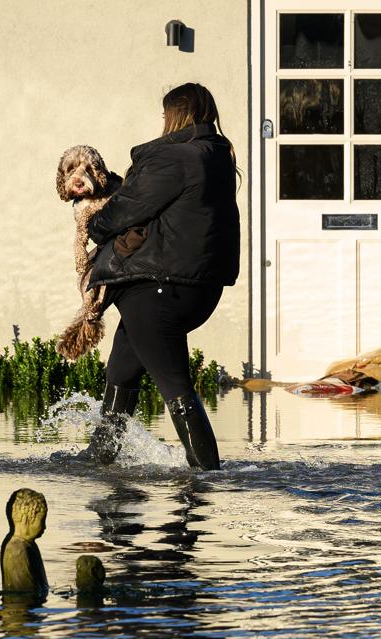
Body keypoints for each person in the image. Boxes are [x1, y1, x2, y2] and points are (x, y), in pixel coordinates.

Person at [85, 82, 240, 471]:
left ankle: (206, 480)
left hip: (156, 290)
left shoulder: (173, 159)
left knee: (176, 389)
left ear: (174, 116)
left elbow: (123, 213)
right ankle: (101, 462)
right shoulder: (217, 157)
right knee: (121, 372)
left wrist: (94, 222)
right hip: (198, 291)